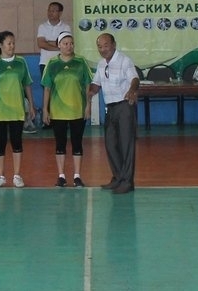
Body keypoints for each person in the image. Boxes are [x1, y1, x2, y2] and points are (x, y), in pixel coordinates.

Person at [0, 31, 35, 188]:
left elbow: (27, 84)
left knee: (17, 143)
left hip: (16, 110)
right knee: (0, 143)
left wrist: (31, 105)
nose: (12, 46)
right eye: (9, 43)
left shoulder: (21, 62)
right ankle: (0, 176)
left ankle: (17, 176)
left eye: (13, 43)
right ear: (0, 45)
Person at [87, 33, 139, 195]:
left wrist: (132, 90)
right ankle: (117, 177)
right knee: (111, 144)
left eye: (106, 45)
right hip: (110, 108)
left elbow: (135, 79)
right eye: (99, 46)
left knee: (126, 145)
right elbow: (96, 84)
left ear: (114, 45)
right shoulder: (101, 64)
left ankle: (127, 182)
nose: (103, 49)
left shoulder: (124, 61)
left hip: (124, 107)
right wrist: (90, 91)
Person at [41, 31, 93, 188]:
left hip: (78, 110)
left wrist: (88, 105)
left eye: (71, 43)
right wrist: (45, 109)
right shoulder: (52, 64)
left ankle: (77, 176)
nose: (69, 46)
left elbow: (88, 85)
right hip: (58, 112)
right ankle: (61, 176)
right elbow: (47, 88)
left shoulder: (81, 62)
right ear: (59, 45)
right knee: (60, 144)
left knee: (77, 143)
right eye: (65, 43)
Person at [37, 2, 70, 78]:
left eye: (53, 11)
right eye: (49, 10)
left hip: (61, 62)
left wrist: (47, 42)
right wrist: (58, 47)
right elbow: (41, 44)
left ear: (60, 13)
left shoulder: (66, 27)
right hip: (45, 63)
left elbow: (66, 44)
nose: (50, 13)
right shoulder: (42, 27)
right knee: (46, 85)